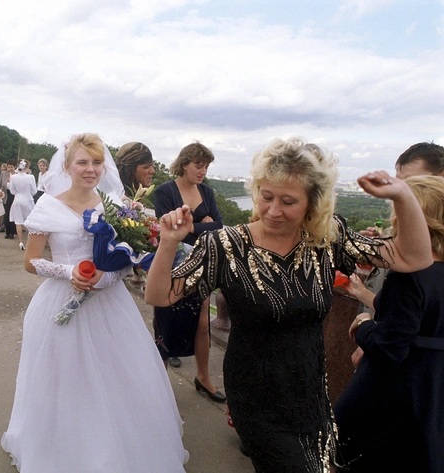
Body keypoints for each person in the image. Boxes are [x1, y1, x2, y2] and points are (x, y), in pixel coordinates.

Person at [145, 137, 433, 472]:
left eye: (288, 201)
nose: (273, 210)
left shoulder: (328, 237)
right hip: (256, 395)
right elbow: (160, 295)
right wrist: (168, 243)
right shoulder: (225, 245)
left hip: (311, 393)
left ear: (313, 203)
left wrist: (402, 196)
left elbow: (413, 256)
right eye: (266, 197)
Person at [1, 133, 188, 473]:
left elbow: (127, 258)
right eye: (83, 162)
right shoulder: (48, 206)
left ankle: (116, 448)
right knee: (68, 380)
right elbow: (31, 262)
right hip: (61, 303)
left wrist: (109, 277)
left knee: (116, 376)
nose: (90, 170)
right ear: (67, 166)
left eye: (97, 162)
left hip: (110, 303)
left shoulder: (115, 206)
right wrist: (69, 270)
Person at [333, 175, 444, 473]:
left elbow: (390, 348)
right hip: (432, 394)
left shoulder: (408, 277)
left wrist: (364, 323)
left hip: (394, 399)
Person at [152, 142, 225, 402]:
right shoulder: (165, 191)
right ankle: (159, 388)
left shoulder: (207, 191)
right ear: (184, 164)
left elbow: (219, 226)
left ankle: (203, 378)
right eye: (198, 165)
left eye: (206, 166)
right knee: (165, 324)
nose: (203, 170)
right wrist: (200, 226)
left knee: (203, 323)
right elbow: (169, 229)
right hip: (172, 266)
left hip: (203, 264)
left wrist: (192, 227)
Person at [7, 159, 36, 250]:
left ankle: (20, 242)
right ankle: (29, 242)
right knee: (30, 221)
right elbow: (34, 191)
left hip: (18, 199)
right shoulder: (30, 177)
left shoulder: (14, 177)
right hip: (28, 200)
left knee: (18, 222)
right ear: (26, 167)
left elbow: (12, 191)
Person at [0, 159, 17, 239]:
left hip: (14, 195)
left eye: (11, 167)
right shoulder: (4, 174)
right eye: (9, 167)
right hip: (6, 194)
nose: (10, 168)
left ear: (15, 167)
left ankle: (12, 232)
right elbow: (1, 184)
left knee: (13, 214)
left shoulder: (17, 175)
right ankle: (7, 232)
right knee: (6, 214)